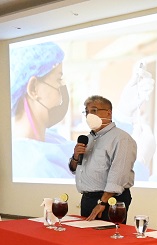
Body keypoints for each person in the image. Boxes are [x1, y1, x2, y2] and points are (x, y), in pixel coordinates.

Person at [10, 42, 74, 179]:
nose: (62, 88)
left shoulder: (48, 138)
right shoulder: (38, 165)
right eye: (58, 80)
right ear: (33, 89)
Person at [69, 95, 137, 222]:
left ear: (109, 113)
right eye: (87, 112)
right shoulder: (88, 139)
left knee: (107, 239)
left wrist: (103, 203)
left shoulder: (121, 139)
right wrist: (75, 156)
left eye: (94, 110)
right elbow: (74, 169)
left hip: (109, 200)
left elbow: (119, 174)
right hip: (88, 199)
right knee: (86, 240)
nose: (89, 115)